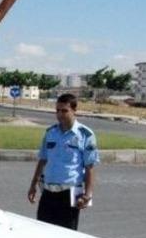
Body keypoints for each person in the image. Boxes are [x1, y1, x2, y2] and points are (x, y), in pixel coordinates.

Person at [26, 93, 98, 230]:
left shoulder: (85, 135)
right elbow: (42, 160)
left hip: (70, 193)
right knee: (42, 233)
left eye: (64, 111)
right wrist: (33, 185)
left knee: (66, 237)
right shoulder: (50, 132)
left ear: (74, 110)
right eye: (57, 110)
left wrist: (88, 195)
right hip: (47, 192)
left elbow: (90, 167)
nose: (60, 114)